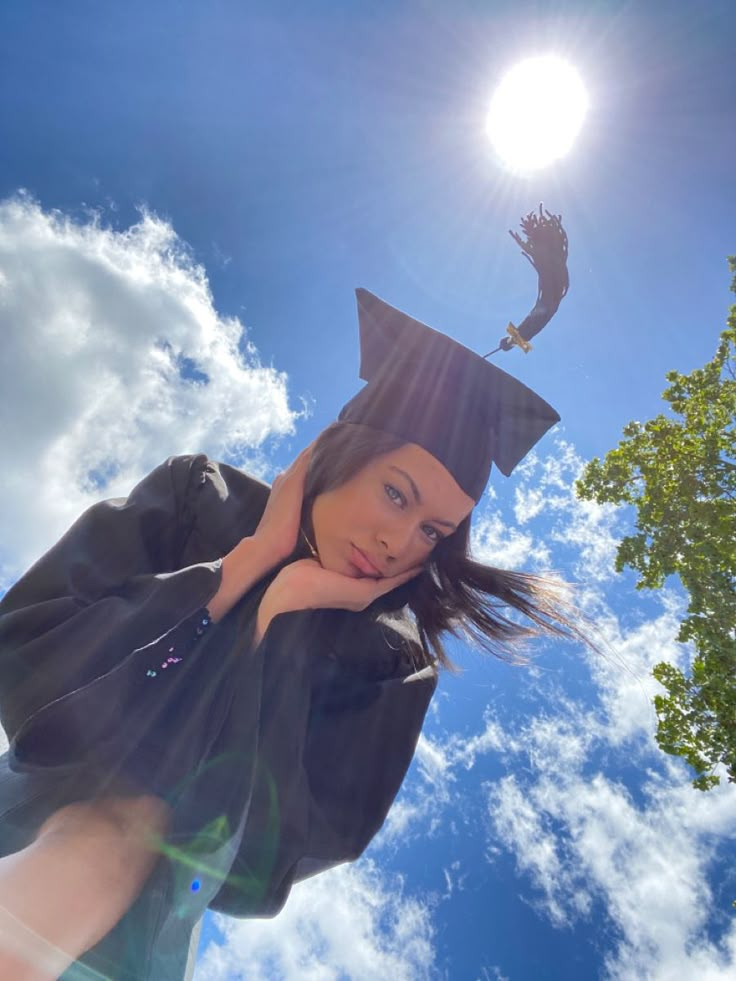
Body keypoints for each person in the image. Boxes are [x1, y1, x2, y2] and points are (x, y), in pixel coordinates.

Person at [0, 275, 579, 979]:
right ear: (341, 449)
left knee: (133, 825)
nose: (400, 540)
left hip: (137, 912)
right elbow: (28, 649)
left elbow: (266, 857)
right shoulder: (199, 501)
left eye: (434, 529)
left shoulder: (390, 662)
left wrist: (272, 621)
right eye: (396, 492)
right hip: (25, 810)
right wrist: (241, 572)